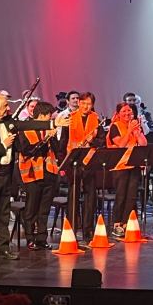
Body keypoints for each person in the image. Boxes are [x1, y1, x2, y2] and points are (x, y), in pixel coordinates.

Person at [0, 93, 70, 262]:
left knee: (3, 214)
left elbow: (29, 124)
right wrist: (3, 145)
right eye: (5, 106)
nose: (8, 108)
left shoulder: (9, 121)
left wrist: (54, 123)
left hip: (6, 174)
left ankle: (4, 248)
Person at [58, 91, 104, 243]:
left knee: (91, 198)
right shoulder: (69, 118)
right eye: (83, 103)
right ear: (78, 103)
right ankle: (71, 231)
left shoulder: (96, 119)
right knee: (73, 198)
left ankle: (88, 231)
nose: (85, 106)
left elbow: (102, 141)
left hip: (90, 163)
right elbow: (62, 143)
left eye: (89, 104)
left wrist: (92, 142)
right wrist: (63, 164)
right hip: (73, 163)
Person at [16, 101, 60, 250]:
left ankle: (42, 238)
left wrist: (53, 138)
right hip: (32, 174)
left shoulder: (49, 129)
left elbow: (58, 150)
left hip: (49, 172)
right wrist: (45, 139)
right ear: (41, 116)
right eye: (49, 116)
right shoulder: (25, 130)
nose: (51, 120)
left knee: (44, 209)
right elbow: (27, 151)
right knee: (31, 208)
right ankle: (30, 238)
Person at [107, 102, 147, 238]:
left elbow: (143, 144)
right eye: (124, 111)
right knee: (121, 196)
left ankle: (126, 223)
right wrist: (129, 130)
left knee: (131, 196)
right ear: (118, 114)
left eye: (129, 111)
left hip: (134, 164)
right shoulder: (115, 127)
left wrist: (137, 132)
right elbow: (120, 145)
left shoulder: (136, 126)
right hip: (120, 166)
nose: (127, 114)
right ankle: (116, 224)